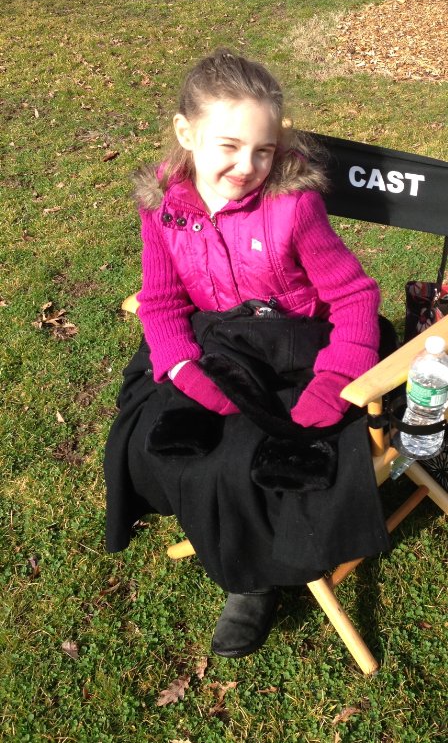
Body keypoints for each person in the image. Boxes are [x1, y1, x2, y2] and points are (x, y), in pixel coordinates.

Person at [104, 48, 391, 660]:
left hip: (297, 345)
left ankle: (252, 583)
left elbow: (354, 296)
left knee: (251, 457)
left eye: (264, 150)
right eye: (229, 146)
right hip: (211, 343)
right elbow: (161, 300)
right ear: (186, 133)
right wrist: (182, 365)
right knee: (155, 435)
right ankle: (234, 550)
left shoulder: (293, 205)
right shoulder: (162, 204)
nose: (248, 166)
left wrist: (337, 378)